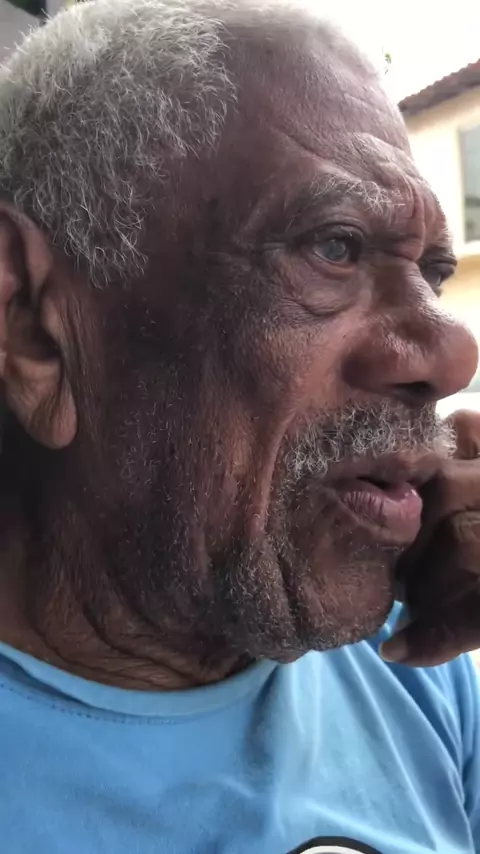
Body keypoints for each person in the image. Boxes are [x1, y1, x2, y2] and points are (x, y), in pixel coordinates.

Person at [0, 1, 480, 852]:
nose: (451, 355)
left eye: (433, 274)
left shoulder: (416, 662)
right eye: (334, 247)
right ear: (33, 324)